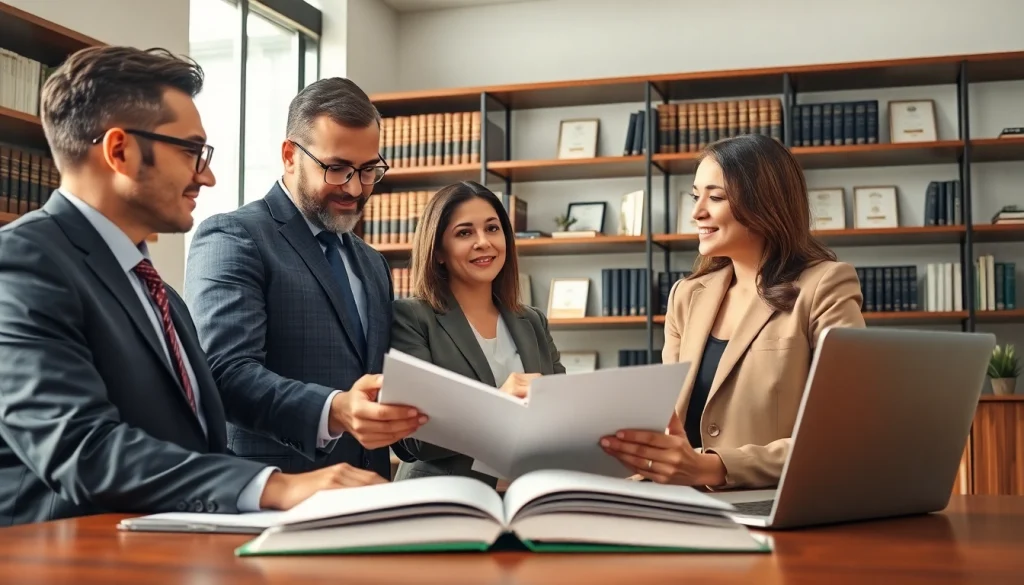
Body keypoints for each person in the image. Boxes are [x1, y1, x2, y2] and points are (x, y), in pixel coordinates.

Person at [0, 46, 387, 527]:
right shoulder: (19, 262)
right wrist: (275, 486)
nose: (208, 175)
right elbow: (82, 448)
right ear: (119, 151)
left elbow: (198, 440)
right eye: (191, 151)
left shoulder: (160, 295)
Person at [183, 77, 424, 480]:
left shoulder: (372, 263)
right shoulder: (234, 236)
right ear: (290, 155)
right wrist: (334, 410)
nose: (355, 188)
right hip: (274, 497)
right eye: (337, 168)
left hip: (371, 493)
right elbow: (224, 373)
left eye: (368, 170)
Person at [601, 133, 865, 490]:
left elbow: (843, 435)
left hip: (777, 506)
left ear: (765, 204)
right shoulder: (686, 295)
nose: (697, 212)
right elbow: (670, 422)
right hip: (678, 502)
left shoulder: (825, 285)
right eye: (696, 196)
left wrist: (713, 468)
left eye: (716, 197)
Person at [389, 181, 565, 488]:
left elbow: (562, 416)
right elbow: (414, 440)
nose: (483, 242)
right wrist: (498, 405)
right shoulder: (411, 318)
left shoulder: (532, 321)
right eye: (464, 233)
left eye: (493, 229)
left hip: (529, 495)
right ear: (439, 251)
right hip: (443, 500)